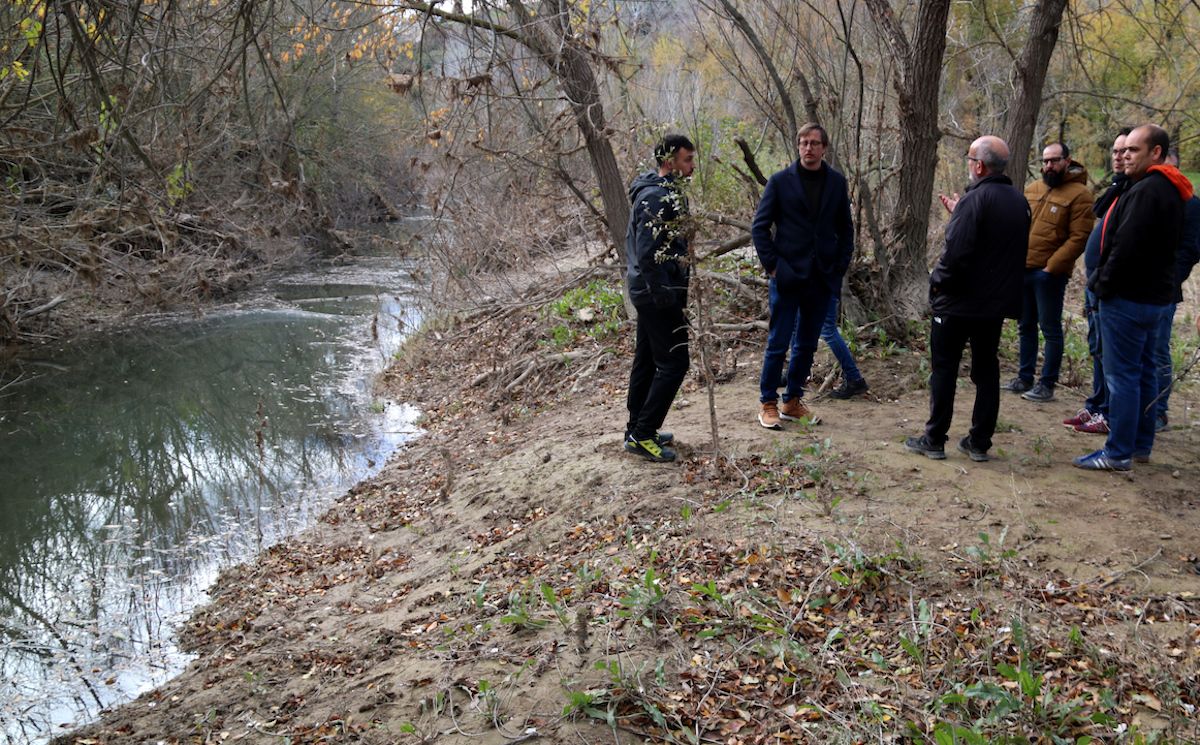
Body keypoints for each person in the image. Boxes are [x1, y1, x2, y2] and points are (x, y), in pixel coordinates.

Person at [1075, 124, 1192, 471]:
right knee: (1141, 374)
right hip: (1149, 298)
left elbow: (1125, 249)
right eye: (1123, 151)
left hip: (1128, 300)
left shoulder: (1150, 191)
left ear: (1155, 152)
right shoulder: (1164, 188)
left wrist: (1099, 285)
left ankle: (1118, 452)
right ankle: (1139, 445)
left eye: (1133, 150)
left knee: (1122, 377)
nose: (1125, 155)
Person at [905, 136, 1030, 461]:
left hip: (957, 304)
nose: (969, 165)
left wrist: (936, 284)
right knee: (987, 371)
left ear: (979, 165)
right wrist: (959, 212)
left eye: (970, 159)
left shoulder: (976, 201)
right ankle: (979, 442)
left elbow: (956, 254)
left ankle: (934, 439)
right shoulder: (1019, 201)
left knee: (944, 370)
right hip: (992, 308)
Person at [752, 122, 854, 428]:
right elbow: (759, 228)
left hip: (821, 277)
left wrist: (838, 267)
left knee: (807, 343)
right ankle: (768, 402)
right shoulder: (780, 181)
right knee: (778, 341)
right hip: (786, 275)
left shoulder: (836, 182)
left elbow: (845, 229)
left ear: (824, 147)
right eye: (803, 143)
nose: (808, 148)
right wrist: (773, 267)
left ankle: (793, 401)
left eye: (814, 143)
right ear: (798, 147)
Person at [623, 134, 696, 462]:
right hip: (656, 293)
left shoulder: (665, 191)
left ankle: (637, 429)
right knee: (675, 362)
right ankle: (642, 433)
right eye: (686, 161)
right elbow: (649, 253)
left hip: (652, 290)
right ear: (669, 162)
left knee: (648, 360)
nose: (691, 167)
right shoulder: (655, 196)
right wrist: (665, 296)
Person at [1003, 143, 1094, 402]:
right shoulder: (1033, 189)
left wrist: (1051, 267)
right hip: (1023, 269)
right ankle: (1024, 378)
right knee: (1025, 326)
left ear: (1067, 161)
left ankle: (1047, 384)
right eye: (1045, 161)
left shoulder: (1080, 195)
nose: (1048, 166)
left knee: (1050, 329)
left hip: (1049, 275)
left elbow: (1079, 238)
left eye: (1054, 160)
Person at [1064, 129, 1131, 435]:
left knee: (1110, 354)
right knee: (1096, 348)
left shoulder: (1138, 190)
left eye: (1126, 150)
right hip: (1096, 285)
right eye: (1116, 151)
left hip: (1111, 288)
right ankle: (1096, 404)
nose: (1120, 156)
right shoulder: (1118, 187)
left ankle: (1107, 413)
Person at [1150, 150, 1200, 431]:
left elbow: (1190, 251)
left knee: (1158, 351)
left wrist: (1168, 283)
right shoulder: (1149, 196)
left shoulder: (1191, 205)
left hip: (1165, 293)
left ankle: (1159, 411)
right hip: (1137, 291)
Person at [818, 291, 870, 399]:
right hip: (823, 282)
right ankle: (854, 378)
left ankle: (854, 378)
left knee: (828, 331)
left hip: (819, 283)